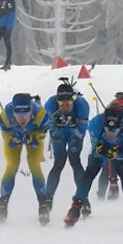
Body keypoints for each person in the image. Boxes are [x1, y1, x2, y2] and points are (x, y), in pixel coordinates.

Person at [63, 103, 123, 228]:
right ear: (104, 123)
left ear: (121, 126)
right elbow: (95, 147)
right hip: (103, 144)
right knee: (90, 172)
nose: (111, 133)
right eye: (108, 129)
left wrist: (116, 154)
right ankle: (75, 208)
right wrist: (101, 149)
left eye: (115, 130)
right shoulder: (95, 123)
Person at [0, 93, 49, 224]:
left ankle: (43, 206)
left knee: (34, 165)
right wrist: (13, 139)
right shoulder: (5, 116)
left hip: (34, 134)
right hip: (13, 134)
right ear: (12, 111)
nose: (21, 118)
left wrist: (34, 139)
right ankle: (2, 207)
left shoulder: (41, 115)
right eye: (18, 114)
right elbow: (6, 136)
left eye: (25, 113)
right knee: (12, 165)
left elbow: (41, 136)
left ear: (31, 110)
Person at [44, 83, 89, 213]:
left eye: (68, 104)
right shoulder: (50, 104)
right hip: (60, 133)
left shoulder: (81, 105)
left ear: (73, 100)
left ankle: (83, 197)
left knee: (75, 161)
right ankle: (48, 198)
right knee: (59, 162)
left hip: (74, 133)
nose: (65, 107)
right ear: (57, 101)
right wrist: (55, 134)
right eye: (62, 104)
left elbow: (82, 130)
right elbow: (50, 127)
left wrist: (75, 133)